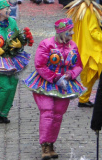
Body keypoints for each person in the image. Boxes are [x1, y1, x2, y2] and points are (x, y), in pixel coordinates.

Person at [23, 18, 84, 160]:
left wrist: (70, 74)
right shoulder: (46, 44)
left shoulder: (73, 46)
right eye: (69, 31)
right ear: (61, 31)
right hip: (45, 83)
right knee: (47, 112)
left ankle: (51, 144)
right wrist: (55, 77)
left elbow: (78, 65)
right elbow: (40, 65)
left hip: (64, 86)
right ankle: (44, 145)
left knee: (58, 114)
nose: (72, 34)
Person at [66, 0, 102, 107]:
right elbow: (93, 31)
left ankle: (83, 99)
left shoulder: (78, 8)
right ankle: (83, 99)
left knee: (88, 76)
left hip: (82, 48)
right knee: (90, 75)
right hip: (92, 49)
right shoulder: (89, 10)